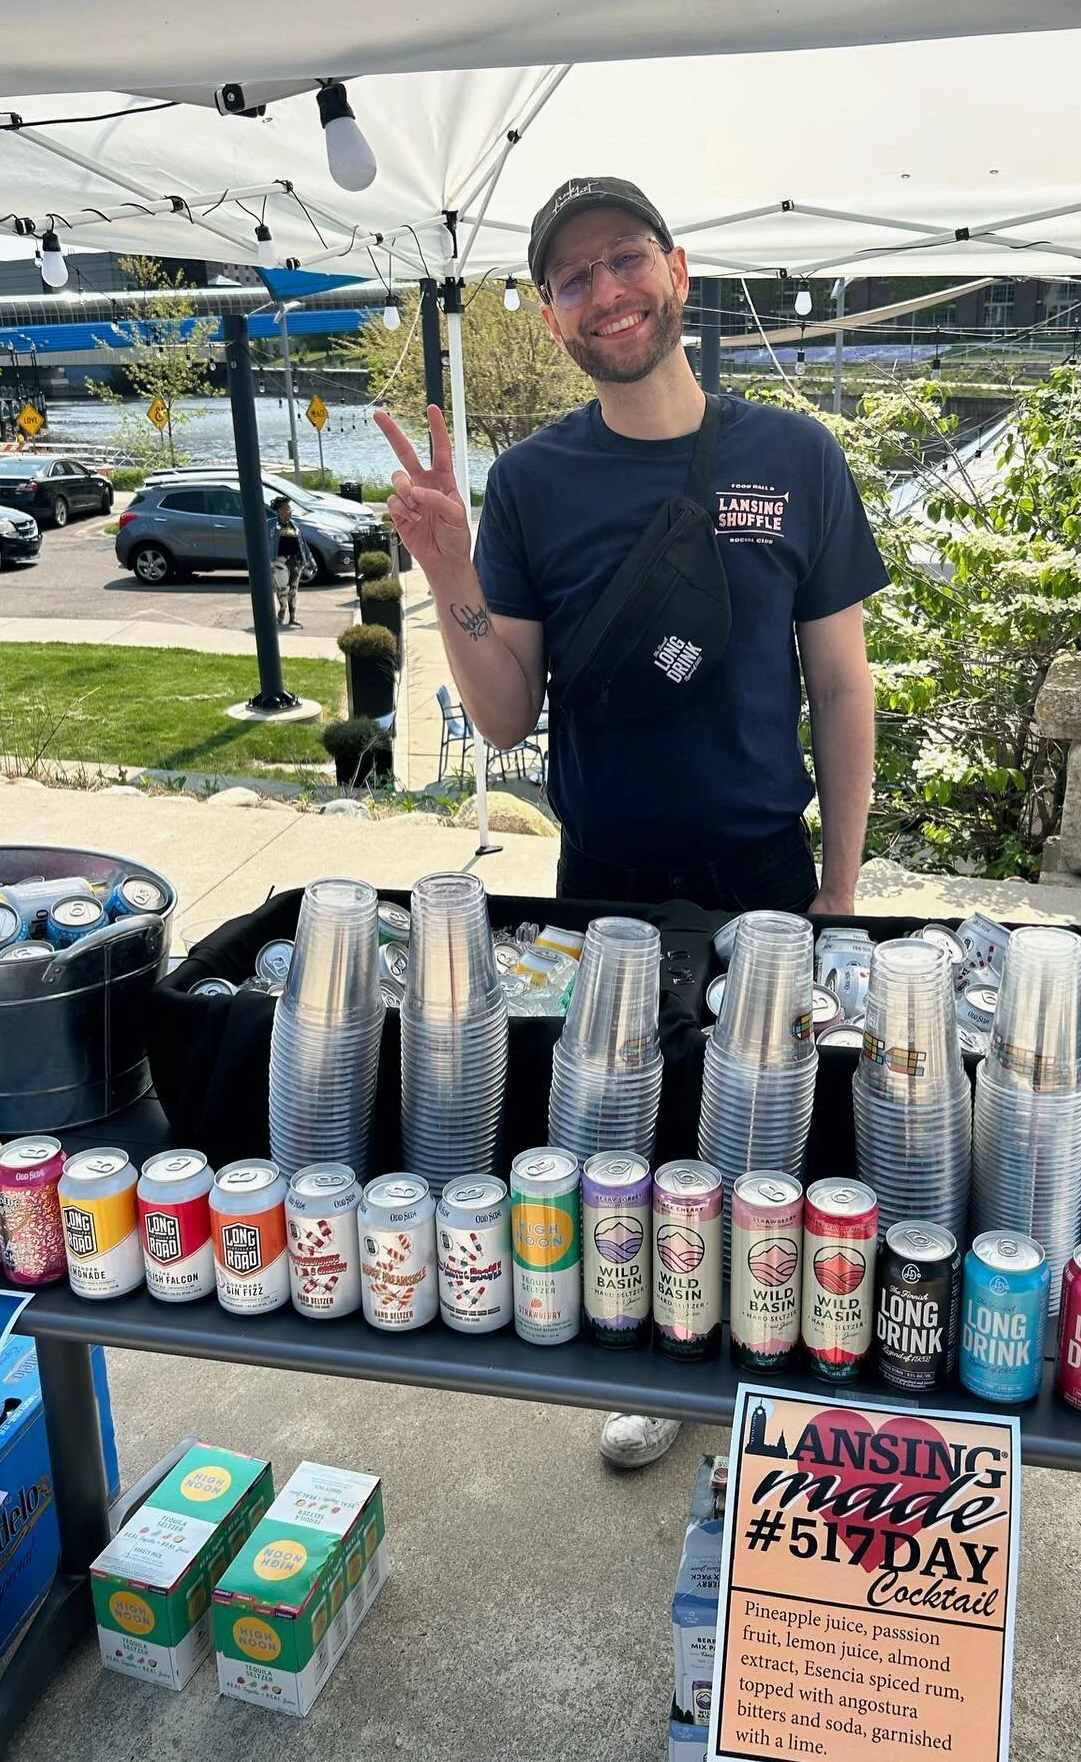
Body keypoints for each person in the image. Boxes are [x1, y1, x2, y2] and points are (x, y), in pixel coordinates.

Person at [378, 177, 888, 1469]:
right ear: (550, 320)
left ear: (678, 270)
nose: (604, 291)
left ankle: (759, 1362)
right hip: (601, 872)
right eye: (571, 279)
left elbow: (839, 683)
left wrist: (839, 888)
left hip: (765, 865)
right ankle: (662, 1360)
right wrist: (449, 575)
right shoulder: (538, 483)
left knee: (765, 1124)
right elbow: (501, 718)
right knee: (632, 1129)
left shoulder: (794, 457)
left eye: (622, 261)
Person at [272, 496, 305, 627]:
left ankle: (292, 617)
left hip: (295, 561)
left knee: (293, 590)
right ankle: (281, 613)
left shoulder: (294, 525)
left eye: (290, 509)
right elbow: (268, 543)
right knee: (282, 589)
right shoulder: (273, 526)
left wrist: (308, 558)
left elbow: (302, 543)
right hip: (279, 562)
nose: (290, 511)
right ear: (281, 511)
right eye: (288, 509)